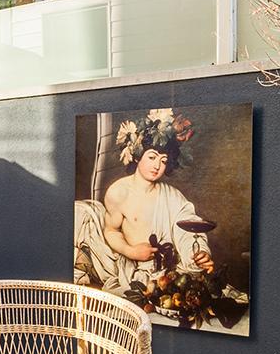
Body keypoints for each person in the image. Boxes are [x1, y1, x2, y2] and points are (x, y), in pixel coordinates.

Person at [76, 109, 214, 296]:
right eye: (151, 157)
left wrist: (199, 255)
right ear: (137, 155)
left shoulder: (172, 196)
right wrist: (131, 252)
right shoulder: (119, 192)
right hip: (132, 268)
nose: (157, 165)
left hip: (168, 271)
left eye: (163, 160)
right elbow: (111, 230)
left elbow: (188, 229)